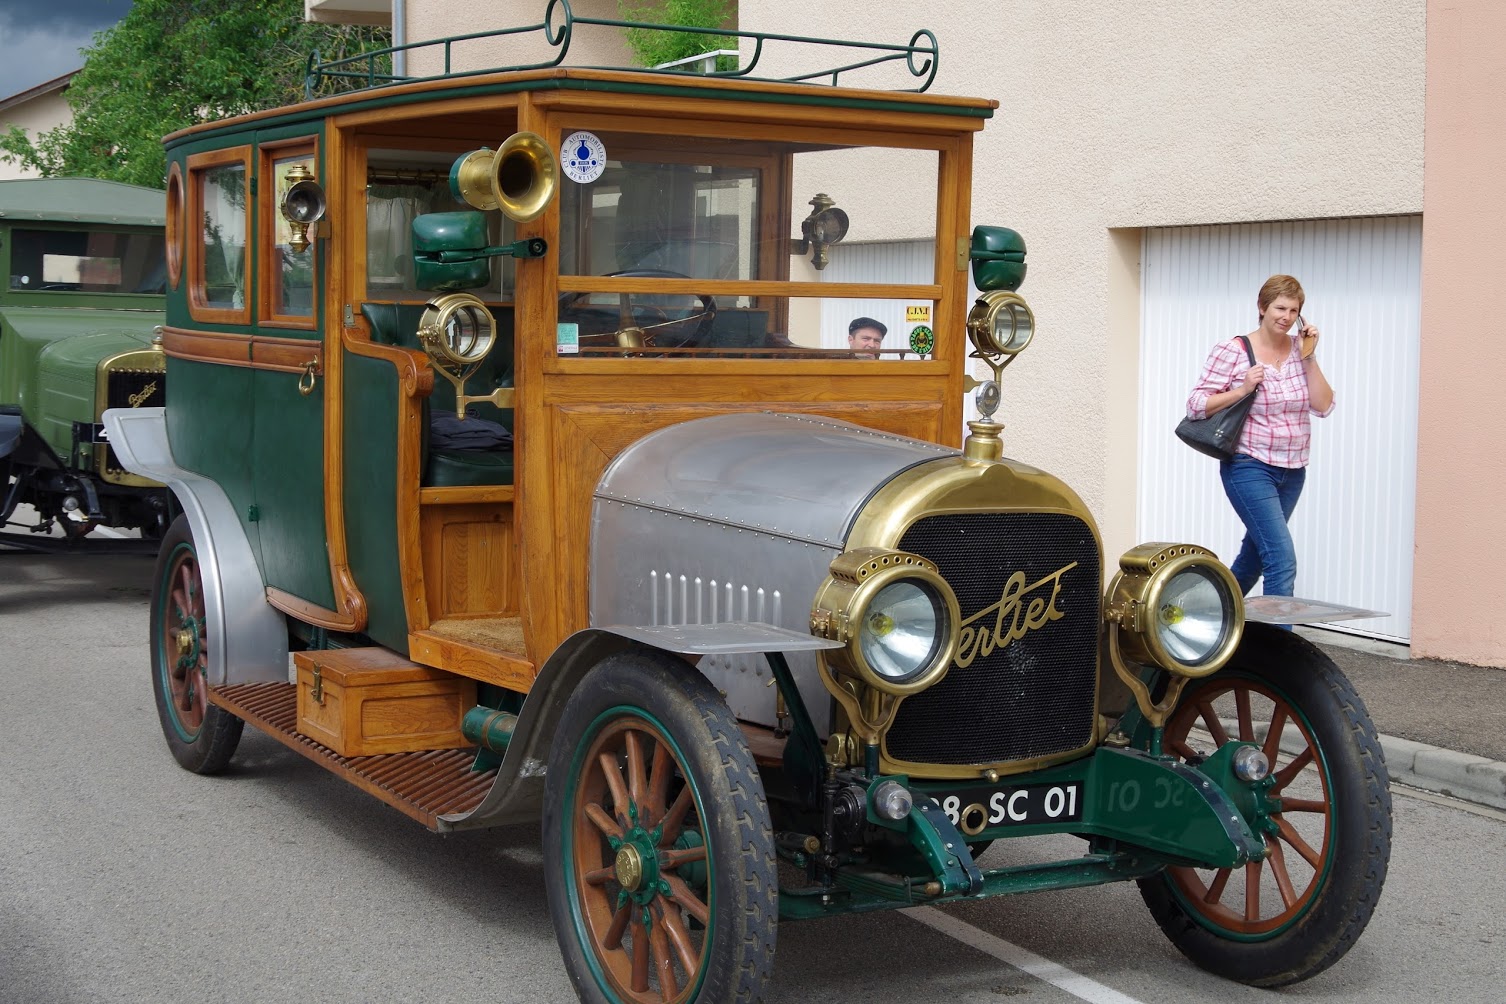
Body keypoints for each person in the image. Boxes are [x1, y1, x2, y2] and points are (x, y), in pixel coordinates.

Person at [1185, 274, 1334, 602]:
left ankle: (1206, 616)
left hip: (1293, 471)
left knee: (1252, 559)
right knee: (1281, 558)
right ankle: (1278, 635)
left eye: (1294, 311)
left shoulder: (1300, 350)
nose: (1287, 317)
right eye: (1280, 308)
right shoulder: (1234, 350)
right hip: (1249, 467)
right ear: (1262, 307)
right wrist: (1242, 389)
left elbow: (1323, 405)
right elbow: (1195, 405)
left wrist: (1309, 356)